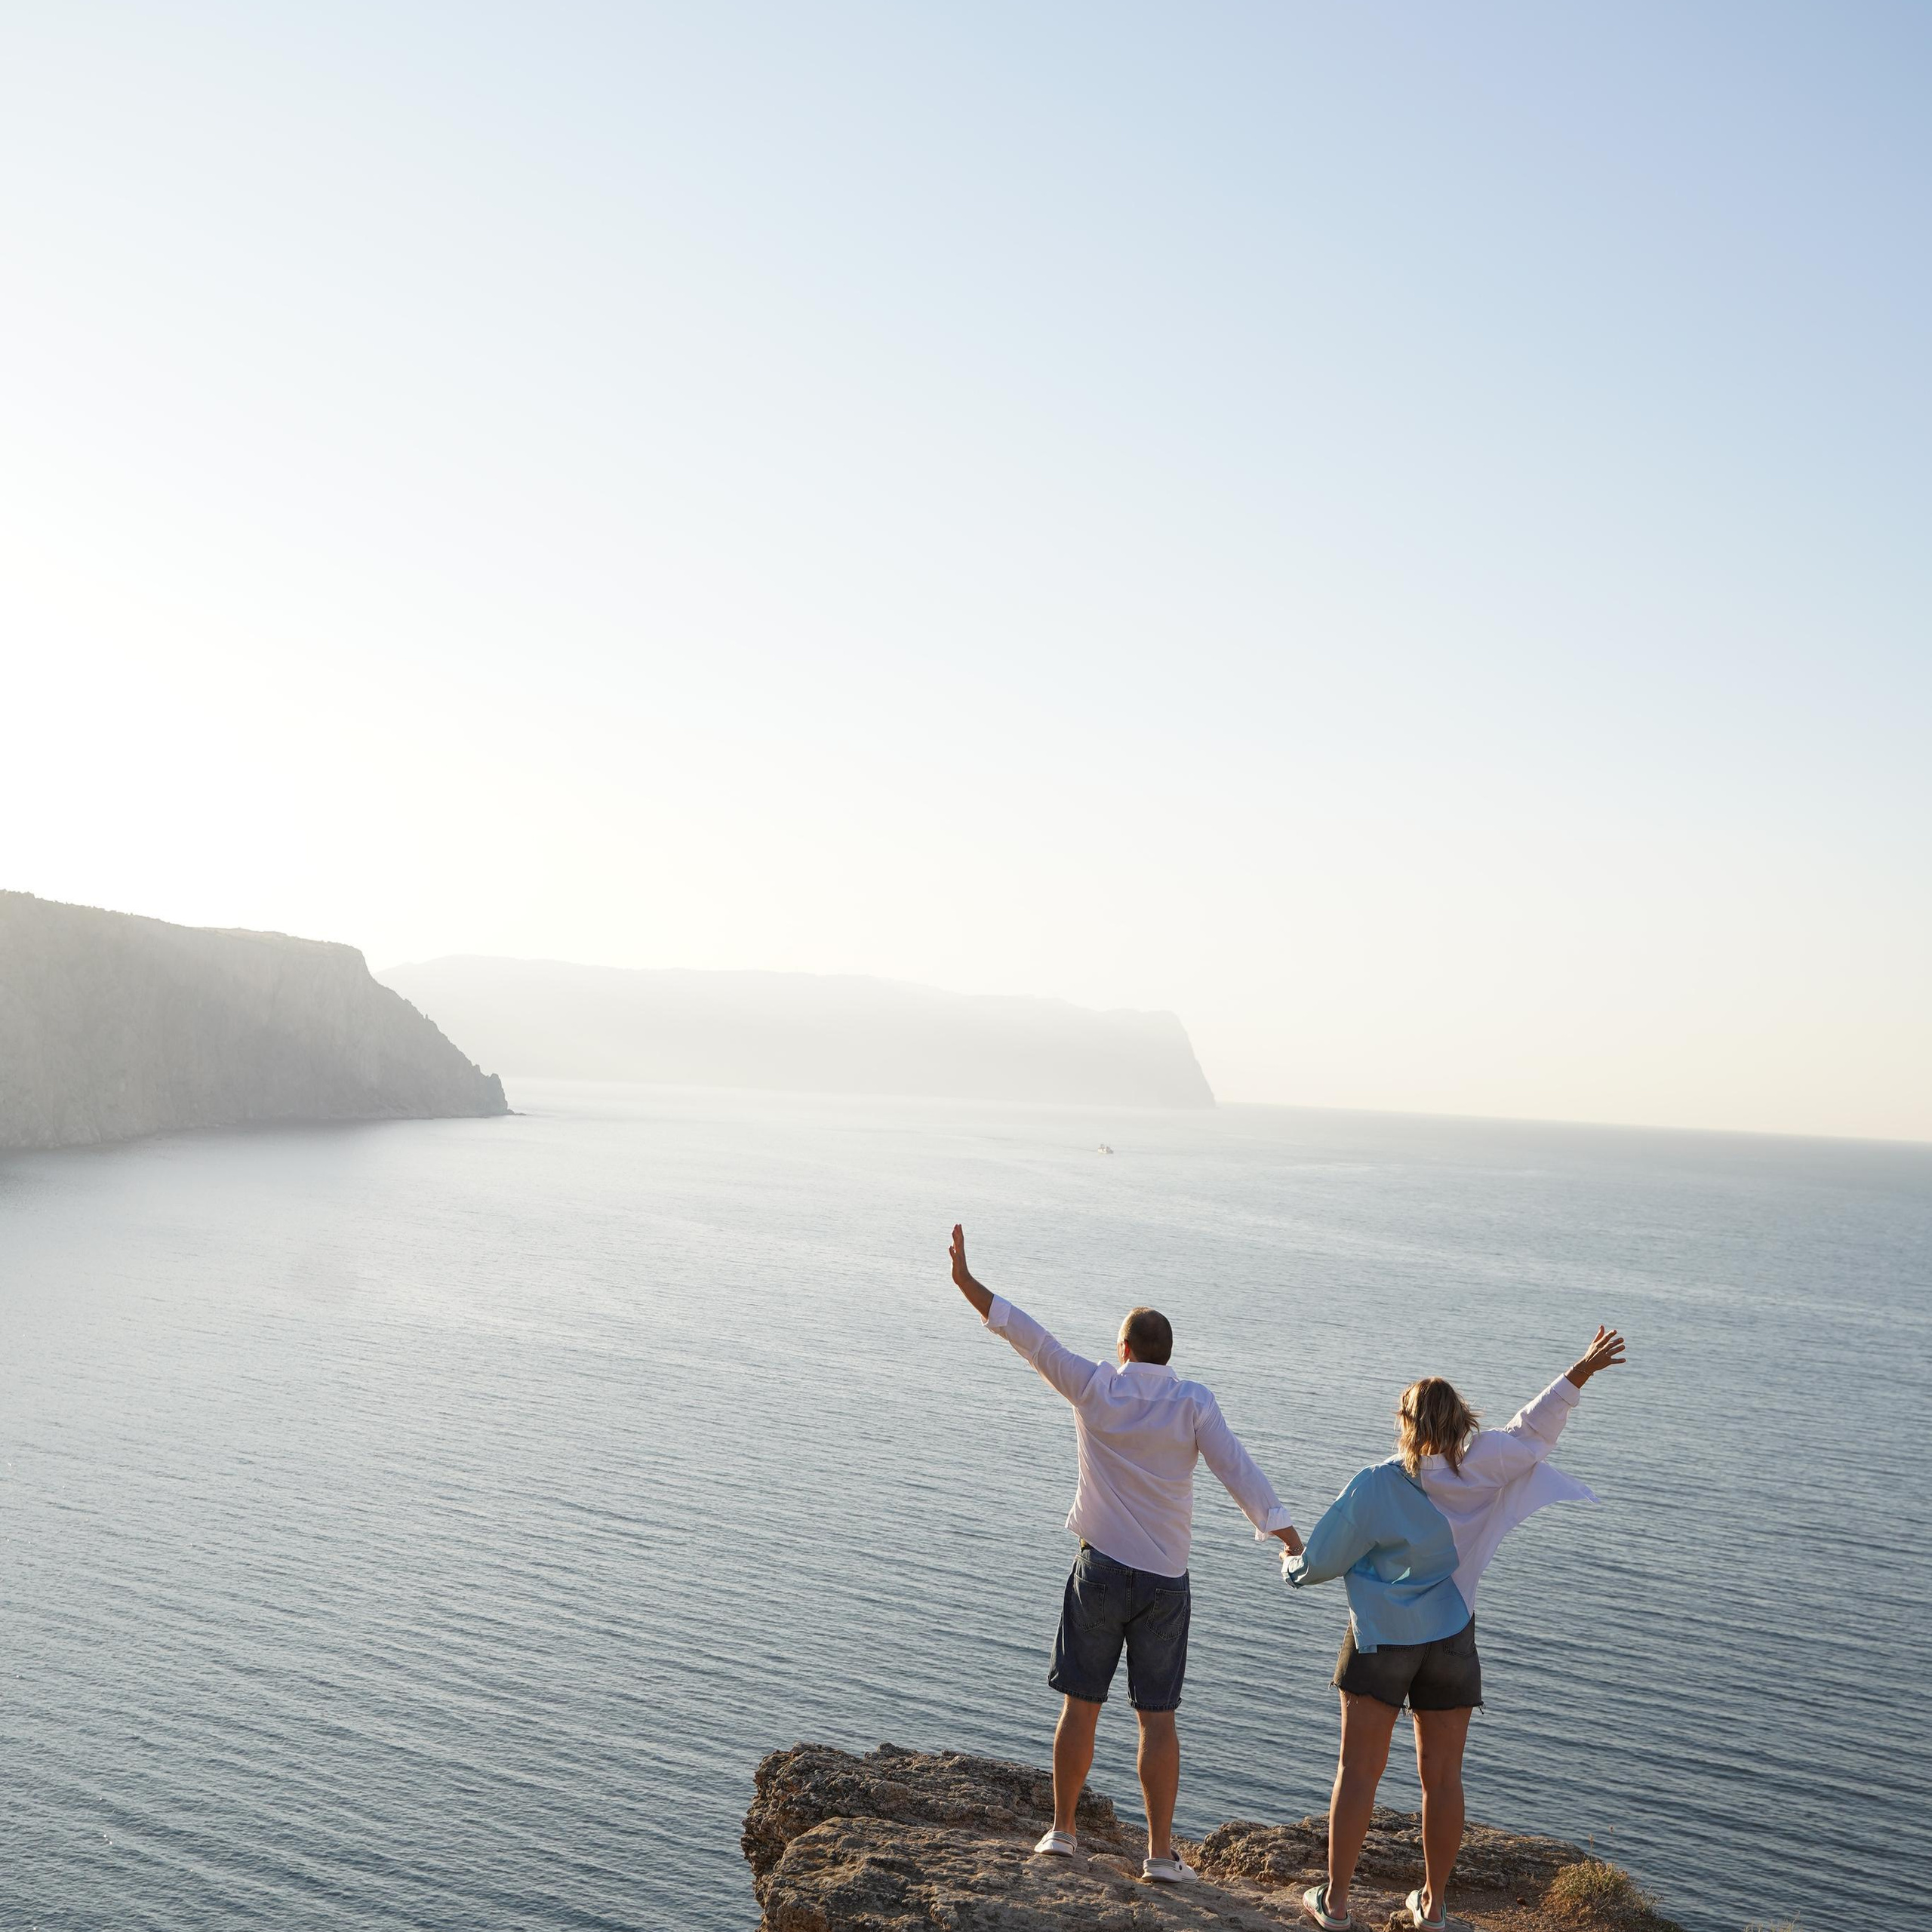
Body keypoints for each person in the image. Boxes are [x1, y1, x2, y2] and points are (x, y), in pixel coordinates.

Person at [946, 1223, 1302, 1885]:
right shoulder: (1194, 1401)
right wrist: (1286, 1535)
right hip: (1165, 1580)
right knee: (1158, 1720)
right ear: (1165, 1354)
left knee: (1081, 1706)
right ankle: (1161, 1856)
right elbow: (1238, 1470)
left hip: (1101, 1569)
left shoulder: (1096, 1387)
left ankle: (1062, 1833)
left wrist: (968, 1283)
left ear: (1126, 1350)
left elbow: (1027, 1335)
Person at [1284, 1327, 1628, 1932]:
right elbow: (1534, 1429)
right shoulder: (1486, 1464)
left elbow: (1320, 1564)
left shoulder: (1377, 1484)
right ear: (1462, 1421)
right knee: (1443, 1777)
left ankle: (1335, 1905)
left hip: (1382, 1641)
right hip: (1452, 1639)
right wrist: (1579, 1371)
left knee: (1358, 1770)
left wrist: (1290, 1561)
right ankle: (1434, 1908)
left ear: (1406, 1424)